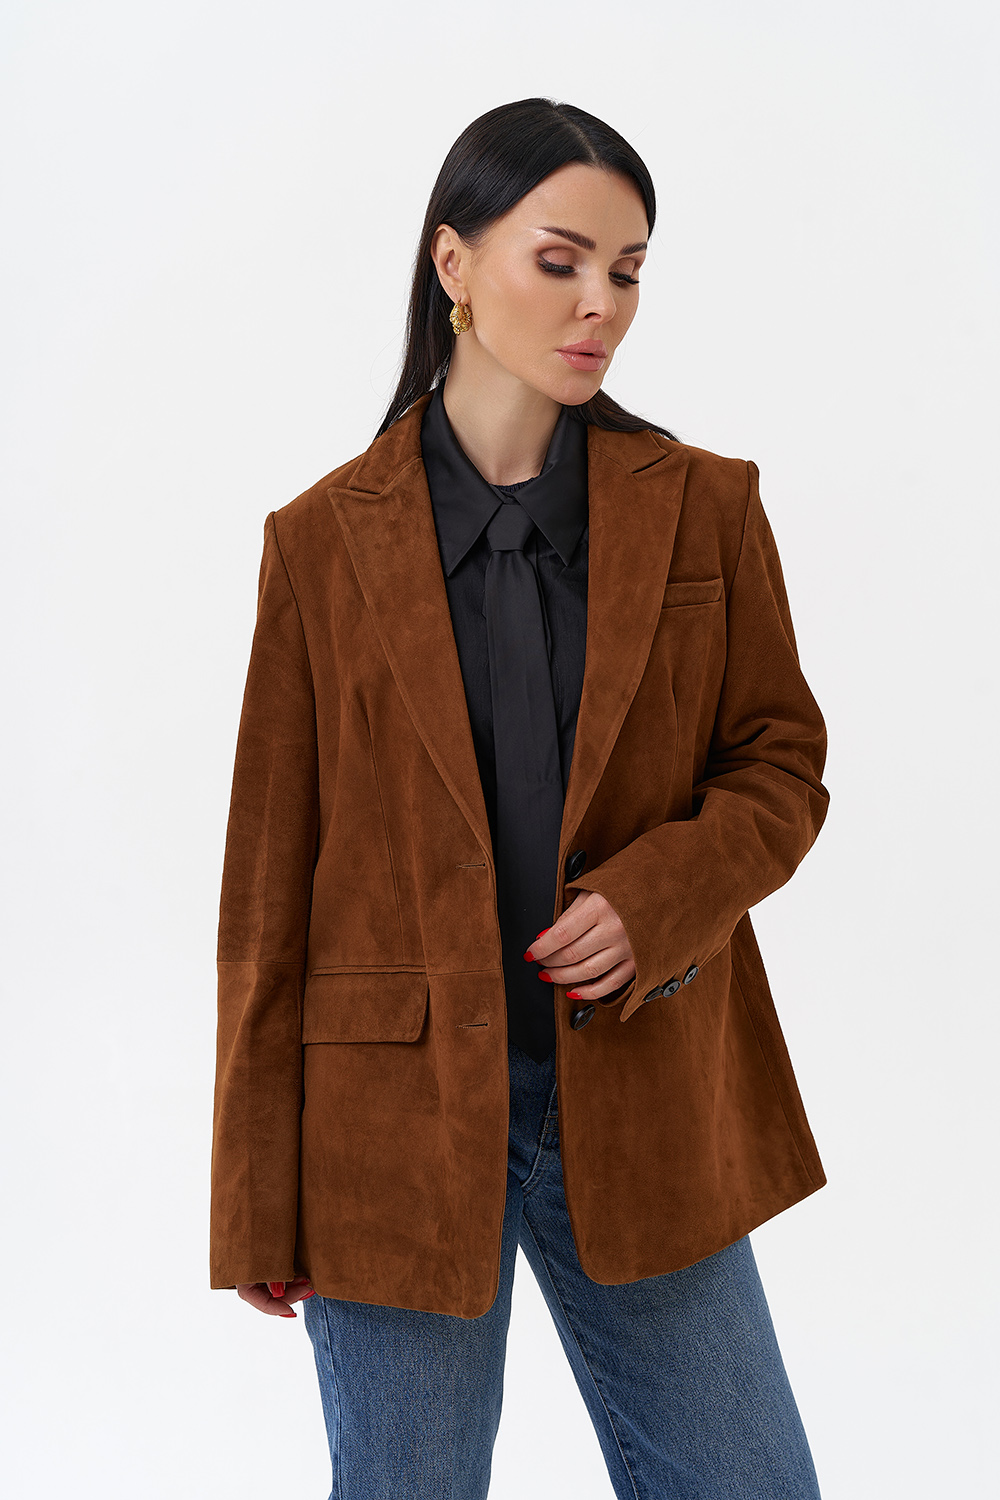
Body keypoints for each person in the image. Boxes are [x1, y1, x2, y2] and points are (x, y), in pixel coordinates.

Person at [210, 97, 831, 1499]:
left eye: (628, 272)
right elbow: (267, 888)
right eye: (560, 261)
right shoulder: (318, 545)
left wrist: (656, 900)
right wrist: (255, 1190)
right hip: (392, 1118)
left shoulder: (706, 507)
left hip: (642, 1091)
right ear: (454, 264)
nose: (600, 304)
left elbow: (781, 762)